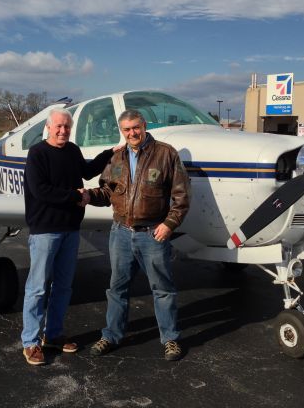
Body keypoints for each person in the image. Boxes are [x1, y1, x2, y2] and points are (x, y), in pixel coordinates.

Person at [83, 109, 190, 361]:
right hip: (120, 232)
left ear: (144, 126)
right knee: (116, 288)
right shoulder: (116, 157)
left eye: (136, 127)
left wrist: (169, 224)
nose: (132, 133)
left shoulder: (166, 154)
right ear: (122, 131)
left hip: (152, 233)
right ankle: (111, 335)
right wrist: (88, 196)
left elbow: (181, 196)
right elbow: (108, 192)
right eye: (126, 129)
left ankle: (171, 339)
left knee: (162, 289)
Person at [21, 108, 117, 366]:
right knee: (38, 287)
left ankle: (52, 335)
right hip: (45, 230)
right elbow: (41, 191)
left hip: (71, 229)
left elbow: (87, 170)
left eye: (67, 127)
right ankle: (30, 342)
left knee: (63, 286)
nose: (63, 131)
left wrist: (110, 153)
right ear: (49, 128)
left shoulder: (72, 150)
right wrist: (77, 196)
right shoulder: (37, 153)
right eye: (58, 126)